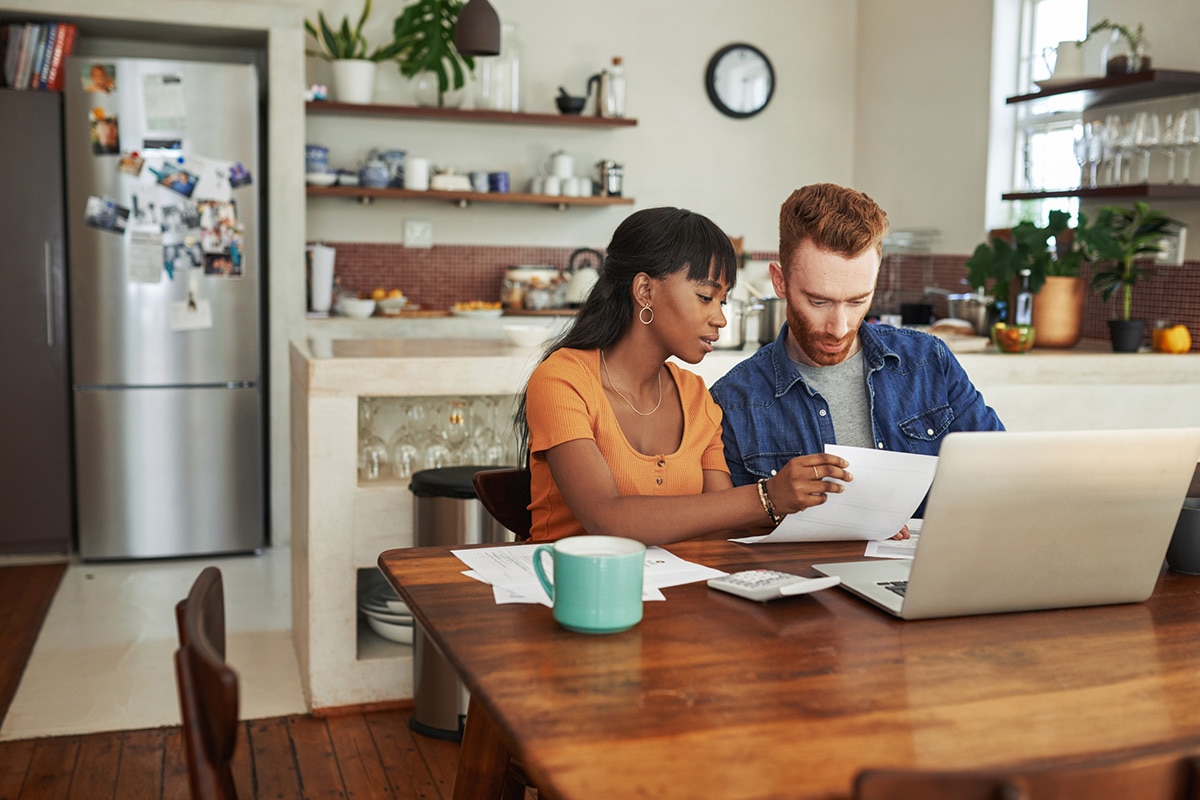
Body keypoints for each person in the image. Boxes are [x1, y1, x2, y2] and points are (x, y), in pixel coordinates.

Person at [517, 206, 853, 544]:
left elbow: (722, 525)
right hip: (564, 588)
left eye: (722, 301)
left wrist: (846, 522)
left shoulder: (695, 396)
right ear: (645, 291)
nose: (720, 318)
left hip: (675, 592)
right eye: (706, 297)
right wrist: (768, 496)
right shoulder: (563, 380)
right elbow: (606, 519)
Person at [710, 183, 1004, 491]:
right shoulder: (734, 402)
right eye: (818, 301)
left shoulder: (930, 362)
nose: (839, 327)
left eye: (857, 301)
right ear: (780, 282)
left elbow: (999, 472)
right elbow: (736, 531)